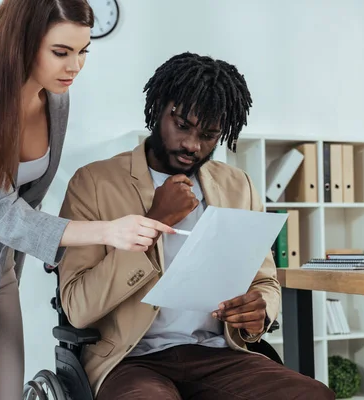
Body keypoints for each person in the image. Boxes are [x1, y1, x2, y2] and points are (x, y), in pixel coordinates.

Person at [0, 1, 173, 399]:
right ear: (21, 43)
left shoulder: (55, 100)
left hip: (1, 271)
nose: (75, 66)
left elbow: (29, 196)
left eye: (83, 51)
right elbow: (1, 215)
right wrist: (108, 232)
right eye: (61, 52)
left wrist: (58, 248)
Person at [58, 52, 336, 399]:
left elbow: (263, 279)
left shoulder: (239, 186)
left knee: (311, 394)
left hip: (218, 353)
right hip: (130, 358)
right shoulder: (95, 183)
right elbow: (78, 308)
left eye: (208, 134)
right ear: (157, 108)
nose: (192, 145)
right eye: (183, 126)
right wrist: (155, 221)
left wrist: (259, 309)